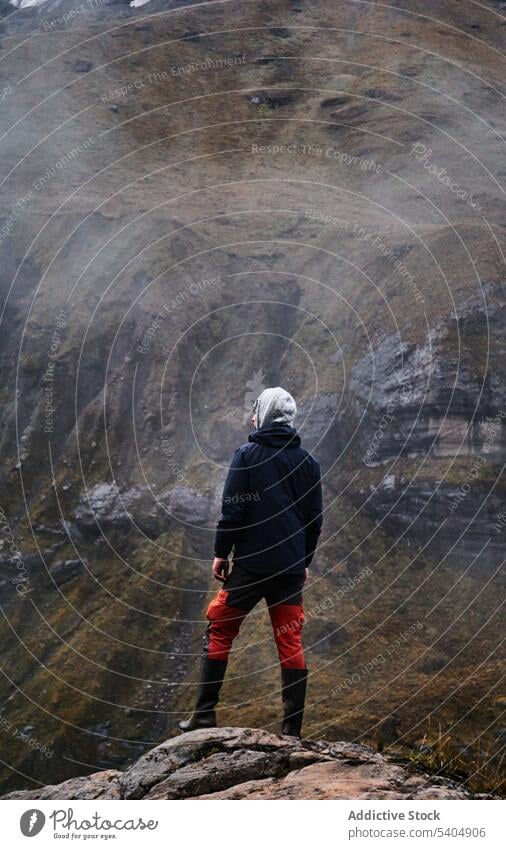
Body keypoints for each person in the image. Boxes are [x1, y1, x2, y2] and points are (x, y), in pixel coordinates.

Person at [178, 387, 323, 737]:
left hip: (251, 566)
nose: (252, 416)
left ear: (267, 414)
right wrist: (303, 561)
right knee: (290, 641)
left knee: (220, 627)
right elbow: (314, 520)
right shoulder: (309, 463)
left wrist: (220, 552)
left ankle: (204, 716)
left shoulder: (247, 455)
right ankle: (291, 731)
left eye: (256, 410)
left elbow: (233, 509)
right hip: (289, 569)